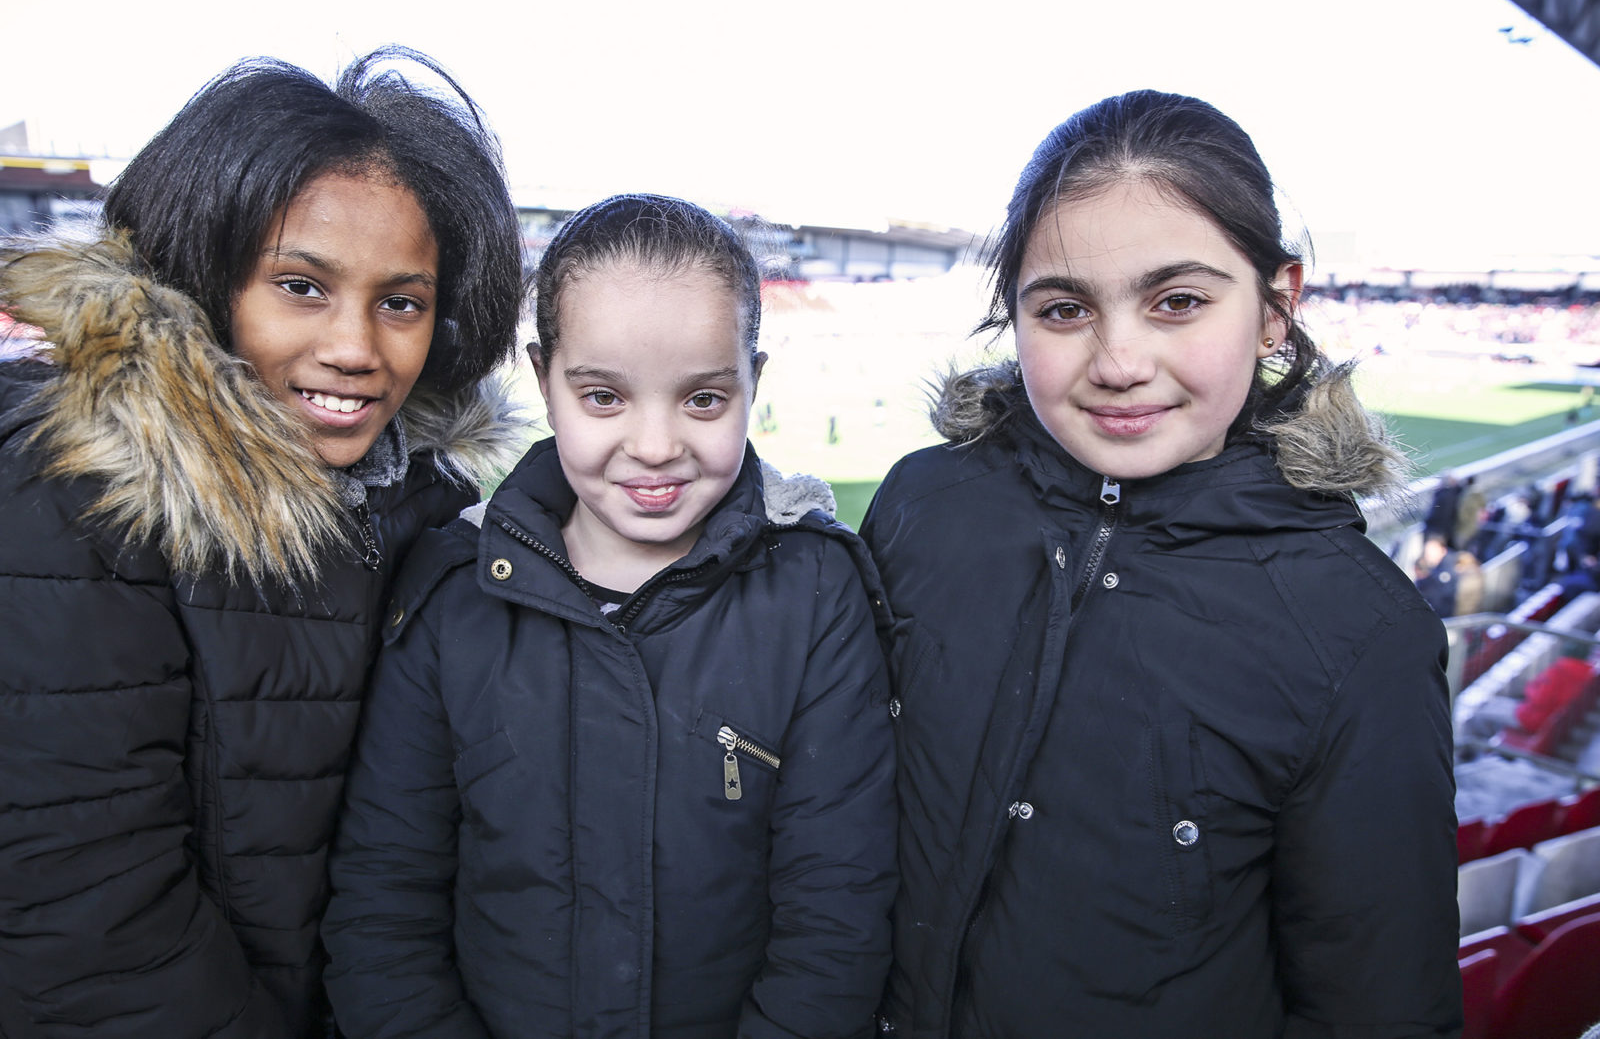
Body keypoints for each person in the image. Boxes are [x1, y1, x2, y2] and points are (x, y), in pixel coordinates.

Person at [860, 91, 1461, 1037]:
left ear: (1276, 307)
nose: (1119, 361)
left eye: (1177, 302)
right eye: (1065, 309)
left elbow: (1380, 1009)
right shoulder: (920, 504)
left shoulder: (1361, 633)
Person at [0, 47, 526, 1037]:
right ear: (204, 275)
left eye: (401, 302)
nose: (356, 348)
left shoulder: (420, 505)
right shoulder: (72, 492)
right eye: (301, 286)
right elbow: (90, 921)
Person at [321, 193, 896, 1039]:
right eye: (603, 397)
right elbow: (384, 902)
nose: (655, 445)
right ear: (543, 378)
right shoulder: (452, 592)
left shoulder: (815, 592)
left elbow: (836, 911)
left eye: (703, 400)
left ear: (753, 382)